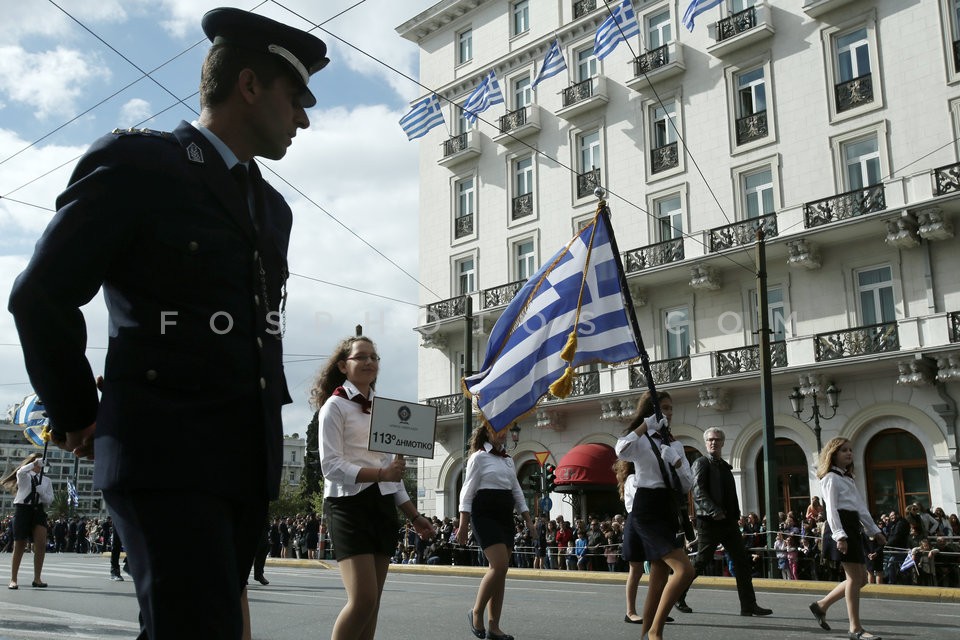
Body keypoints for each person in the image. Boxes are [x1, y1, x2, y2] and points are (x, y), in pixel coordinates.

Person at [6, 8, 329, 638]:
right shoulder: (141, 166)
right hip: (163, 452)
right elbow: (40, 293)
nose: (304, 118)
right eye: (296, 97)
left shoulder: (271, 207)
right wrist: (76, 413)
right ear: (249, 85)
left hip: (244, 463)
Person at [315, 335, 433, 640]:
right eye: (361, 357)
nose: (369, 362)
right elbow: (331, 467)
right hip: (347, 505)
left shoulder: (383, 410)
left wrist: (414, 516)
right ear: (344, 365)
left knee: (373, 604)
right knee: (363, 599)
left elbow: (392, 476)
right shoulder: (334, 407)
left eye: (374, 357)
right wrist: (381, 472)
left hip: (381, 506)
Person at [615, 390, 695, 640]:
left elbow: (687, 485)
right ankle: (654, 632)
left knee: (659, 577)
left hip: (667, 507)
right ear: (652, 411)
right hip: (646, 507)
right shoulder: (641, 440)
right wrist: (644, 426)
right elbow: (620, 450)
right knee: (684, 571)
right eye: (664, 408)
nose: (669, 413)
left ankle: (649, 633)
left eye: (671, 408)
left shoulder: (676, 444)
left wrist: (678, 463)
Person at [456, 424, 535, 640]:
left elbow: (517, 492)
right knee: (499, 565)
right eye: (498, 430)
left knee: (500, 572)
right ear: (487, 433)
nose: (503, 433)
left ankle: (494, 627)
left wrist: (529, 521)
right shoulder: (478, 457)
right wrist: (463, 524)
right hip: (484, 515)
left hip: (504, 515)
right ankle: (476, 611)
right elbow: (467, 492)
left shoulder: (508, 459)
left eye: (505, 430)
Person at [686, 427, 772, 616]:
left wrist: (736, 515)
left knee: (741, 562)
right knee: (701, 561)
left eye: (717, 439)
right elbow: (698, 492)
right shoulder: (701, 463)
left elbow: (730, 495)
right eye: (710, 440)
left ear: (723, 442)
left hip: (729, 522)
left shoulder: (724, 466)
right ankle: (677, 595)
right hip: (710, 521)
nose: (713, 442)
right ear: (705, 442)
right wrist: (713, 510)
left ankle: (749, 605)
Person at [808, 437, 887, 640]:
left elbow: (860, 507)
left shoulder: (848, 478)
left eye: (850, 450)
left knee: (861, 580)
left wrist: (874, 530)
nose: (849, 453)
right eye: (844, 450)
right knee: (854, 578)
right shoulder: (830, 478)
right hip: (840, 527)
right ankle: (855, 628)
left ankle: (821, 605)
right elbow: (831, 510)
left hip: (852, 527)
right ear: (833, 454)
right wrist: (839, 536)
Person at [2, 453, 54, 589]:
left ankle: (37, 578)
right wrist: (34, 463)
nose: (40, 466)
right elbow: (20, 471)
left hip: (39, 511)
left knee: (41, 544)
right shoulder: (25, 476)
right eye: (38, 463)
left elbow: (50, 500)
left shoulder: (47, 480)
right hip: (23, 510)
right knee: (19, 544)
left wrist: (42, 492)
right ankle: (13, 579)